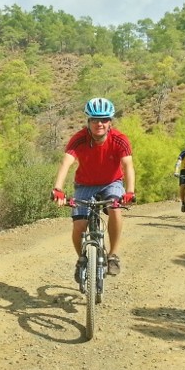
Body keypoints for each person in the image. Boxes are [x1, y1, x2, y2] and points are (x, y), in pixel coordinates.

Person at [51, 97, 136, 279]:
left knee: (115, 209)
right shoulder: (79, 139)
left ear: (110, 121)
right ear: (88, 121)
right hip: (85, 185)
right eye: (95, 120)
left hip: (111, 183)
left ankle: (112, 255)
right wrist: (58, 189)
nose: (100, 124)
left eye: (104, 119)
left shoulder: (120, 140)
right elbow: (66, 162)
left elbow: (128, 165)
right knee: (79, 225)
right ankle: (81, 259)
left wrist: (129, 191)